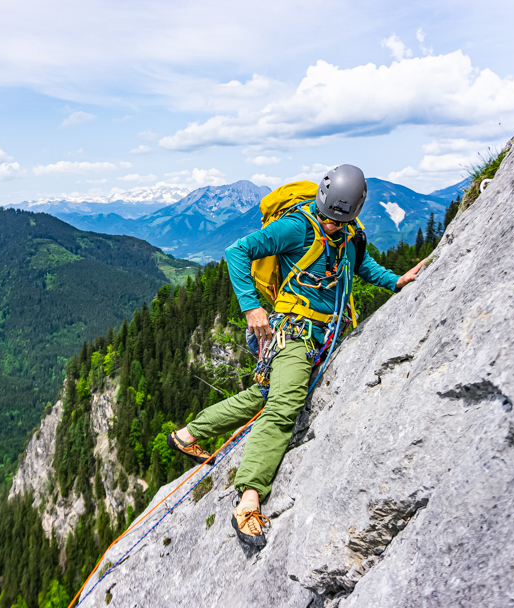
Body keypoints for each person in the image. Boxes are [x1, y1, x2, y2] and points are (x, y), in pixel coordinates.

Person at [167, 165, 424, 548]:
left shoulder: (350, 232)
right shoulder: (297, 227)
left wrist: (395, 281)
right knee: (285, 404)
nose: (333, 225)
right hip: (294, 333)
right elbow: (237, 251)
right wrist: (251, 308)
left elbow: (361, 265)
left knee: (266, 396)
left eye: (341, 219)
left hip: (325, 334)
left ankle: (190, 434)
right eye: (330, 218)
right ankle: (248, 499)